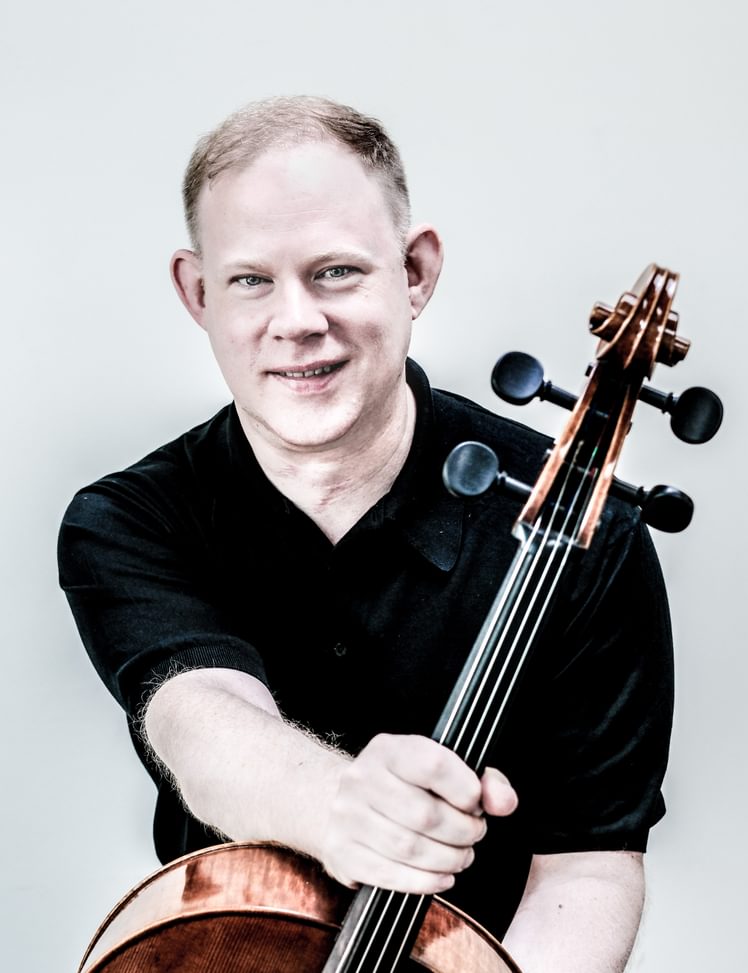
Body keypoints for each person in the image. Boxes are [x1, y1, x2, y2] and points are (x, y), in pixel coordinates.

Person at [58, 96, 673, 972]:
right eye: (250, 280)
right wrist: (341, 801)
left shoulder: (590, 535)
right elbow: (201, 720)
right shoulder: (128, 521)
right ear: (197, 293)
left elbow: (589, 866)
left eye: (337, 271)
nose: (297, 318)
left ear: (416, 271)